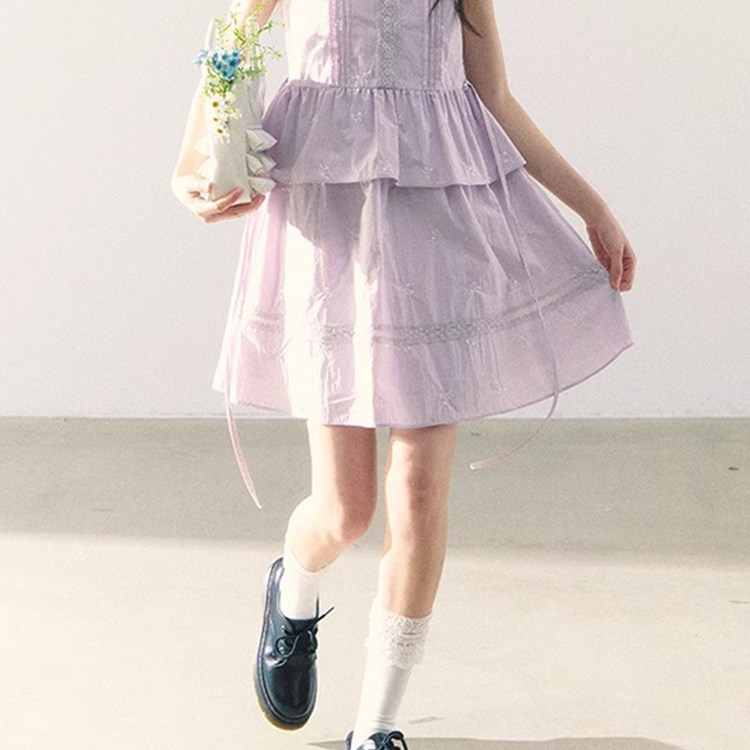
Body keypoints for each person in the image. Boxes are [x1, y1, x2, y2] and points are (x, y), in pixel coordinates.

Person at [172, 0, 637, 748]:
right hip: (329, 213)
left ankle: (378, 725)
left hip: (438, 216)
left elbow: (495, 96)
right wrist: (190, 166)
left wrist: (593, 208)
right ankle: (294, 584)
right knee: (346, 510)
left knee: (419, 491)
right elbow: (230, 44)